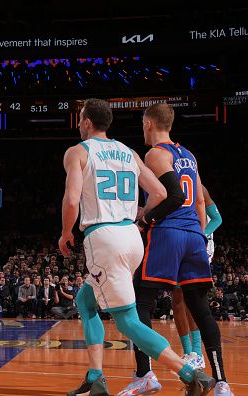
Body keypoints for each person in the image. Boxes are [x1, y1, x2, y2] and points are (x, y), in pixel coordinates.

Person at [59, 98, 215, 396]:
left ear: (87, 122)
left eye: (80, 119)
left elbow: (72, 199)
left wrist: (66, 232)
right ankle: (95, 378)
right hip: (131, 237)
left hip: (104, 237)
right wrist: (140, 215)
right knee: (85, 300)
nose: (79, 124)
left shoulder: (78, 152)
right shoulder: (129, 152)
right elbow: (159, 191)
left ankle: (190, 374)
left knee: (128, 321)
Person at [120, 104, 232, 396]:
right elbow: (197, 204)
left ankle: (145, 374)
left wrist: (146, 218)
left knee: (141, 304)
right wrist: (198, 233)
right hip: (194, 234)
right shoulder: (190, 156)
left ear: (148, 123)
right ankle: (221, 382)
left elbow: (174, 196)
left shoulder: (156, 153)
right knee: (201, 309)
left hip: (168, 233)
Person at [170, 185, 222, 373]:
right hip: (179, 241)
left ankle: (198, 354)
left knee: (189, 295)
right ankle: (188, 352)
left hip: (201, 242)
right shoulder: (168, 185)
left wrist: (202, 233)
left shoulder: (200, 188)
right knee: (176, 299)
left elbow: (217, 218)